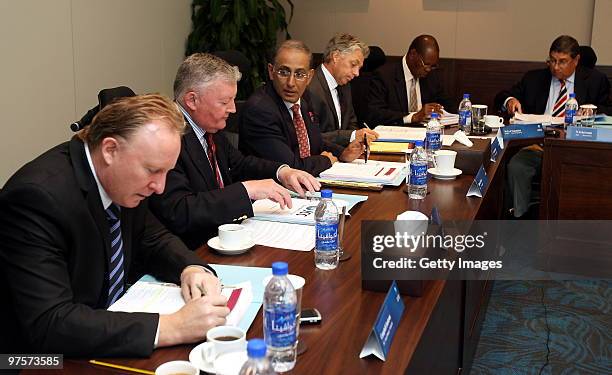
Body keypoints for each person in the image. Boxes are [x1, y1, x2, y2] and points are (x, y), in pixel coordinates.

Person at [0, 95, 229, 356]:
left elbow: (152, 237)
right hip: (30, 360)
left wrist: (191, 268)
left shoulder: (124, 177)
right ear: (110, 150)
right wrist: (171, 327)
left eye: (166, 172)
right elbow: (50, 322)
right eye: (153, 170)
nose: (160, 187)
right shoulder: (37, 198)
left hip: (102, 333)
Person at [149, 53, 320, 249]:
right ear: (192, 100)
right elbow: (180, 211)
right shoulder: (167, 137)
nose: (233, 109)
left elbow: (240, 164)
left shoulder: (208, 127)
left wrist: (282, 171)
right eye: (224, 102)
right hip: (193, 247)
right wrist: (247, 190)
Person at [494, 35, 612, 217]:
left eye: (562, 62)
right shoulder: (534, 78)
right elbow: (502, 96)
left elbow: (609, 110)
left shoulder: (596, 80)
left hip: (577, 148)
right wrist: (510, 101)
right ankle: (519, 217)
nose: (556, 67)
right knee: (517, 166)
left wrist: (592, 112)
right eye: (552, 61)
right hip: (537, 145)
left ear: (576, 60)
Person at [239, 40, 366, 176]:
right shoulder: (260, 110)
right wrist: (326, 160)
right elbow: (291, 167)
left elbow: (315, 141)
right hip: (270, 192)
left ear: (309, 77)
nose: (291, 83)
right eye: (284, 72)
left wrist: (342, 153)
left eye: (299, 74)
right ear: (271, 71)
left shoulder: (304, 99)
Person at [307, 33, 379, 146]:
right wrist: (352, 136)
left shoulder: (344, 85)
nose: (357, 73)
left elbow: (351, 123)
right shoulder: (311, 88)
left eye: (359, 68)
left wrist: (356, 141)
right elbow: (312, 137)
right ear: (335, 56)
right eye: (353, 64)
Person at [366, 34, 452, 126]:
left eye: (433, 66)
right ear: (412, 54)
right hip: (396, 132)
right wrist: (413, 117)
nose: (428, 69)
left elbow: (447, 103)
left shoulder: (431, 76)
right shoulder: (384, 76)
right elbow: (375, 114)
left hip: (426, 131)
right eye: (426, 64)